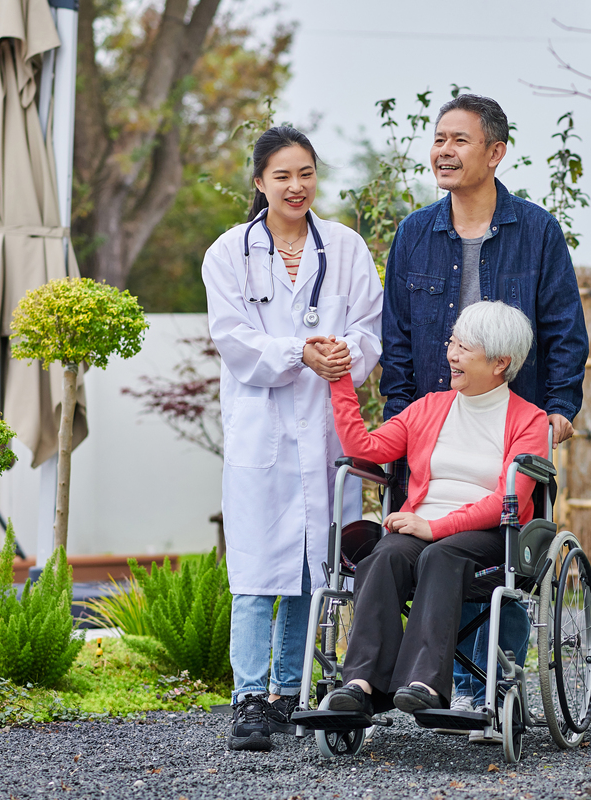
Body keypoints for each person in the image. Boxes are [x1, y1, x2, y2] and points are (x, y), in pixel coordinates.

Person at [378, 93, 589, 738]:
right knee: (404, 549)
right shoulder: (415, 233)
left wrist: (559, 408)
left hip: (509, 424)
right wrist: (394, 432)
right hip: (429, 429)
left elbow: (563, 330)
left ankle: (487, 684)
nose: (443, 150)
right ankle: (392, 680)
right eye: (439, 138)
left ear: (495, 153)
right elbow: (397, 345)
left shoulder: (536, 232)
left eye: (459, 140)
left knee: (501, 546)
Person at [201, 126, 383, 752]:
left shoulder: (347, 248)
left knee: (313, 566)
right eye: (282, 175)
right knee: (254, 572)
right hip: (262, 428)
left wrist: (343, 353)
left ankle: (287, 691)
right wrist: (297, 352)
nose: (296, 186)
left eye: (306, 173)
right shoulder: (228, 253)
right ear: (259, 182)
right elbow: (233, 339)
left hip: (328, 428)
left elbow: (369, 328)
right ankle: (248, 697)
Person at [323, 302, 548, 716]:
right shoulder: (428, 408)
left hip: (489, 535)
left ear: (501, 362)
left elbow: (506, 502)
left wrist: (435, 527)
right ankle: (361, 684)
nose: (452, 354)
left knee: (442, 554)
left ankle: (424, 683)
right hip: (421, 527)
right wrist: (340, 382)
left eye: (465, 347)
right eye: (452, 342)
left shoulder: (529, 421)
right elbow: (364, 449)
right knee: (386, 554)